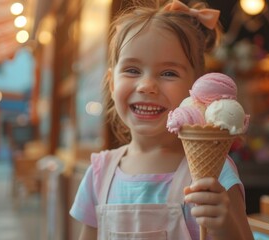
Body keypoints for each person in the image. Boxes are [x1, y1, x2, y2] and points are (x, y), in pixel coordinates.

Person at [70, 0, 254, 239]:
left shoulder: (215, 173)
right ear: (112, 83)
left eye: (169, 73)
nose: (147, 86)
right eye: (132, 70)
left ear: (195, 89)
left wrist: (224, 224)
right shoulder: (99, 173)